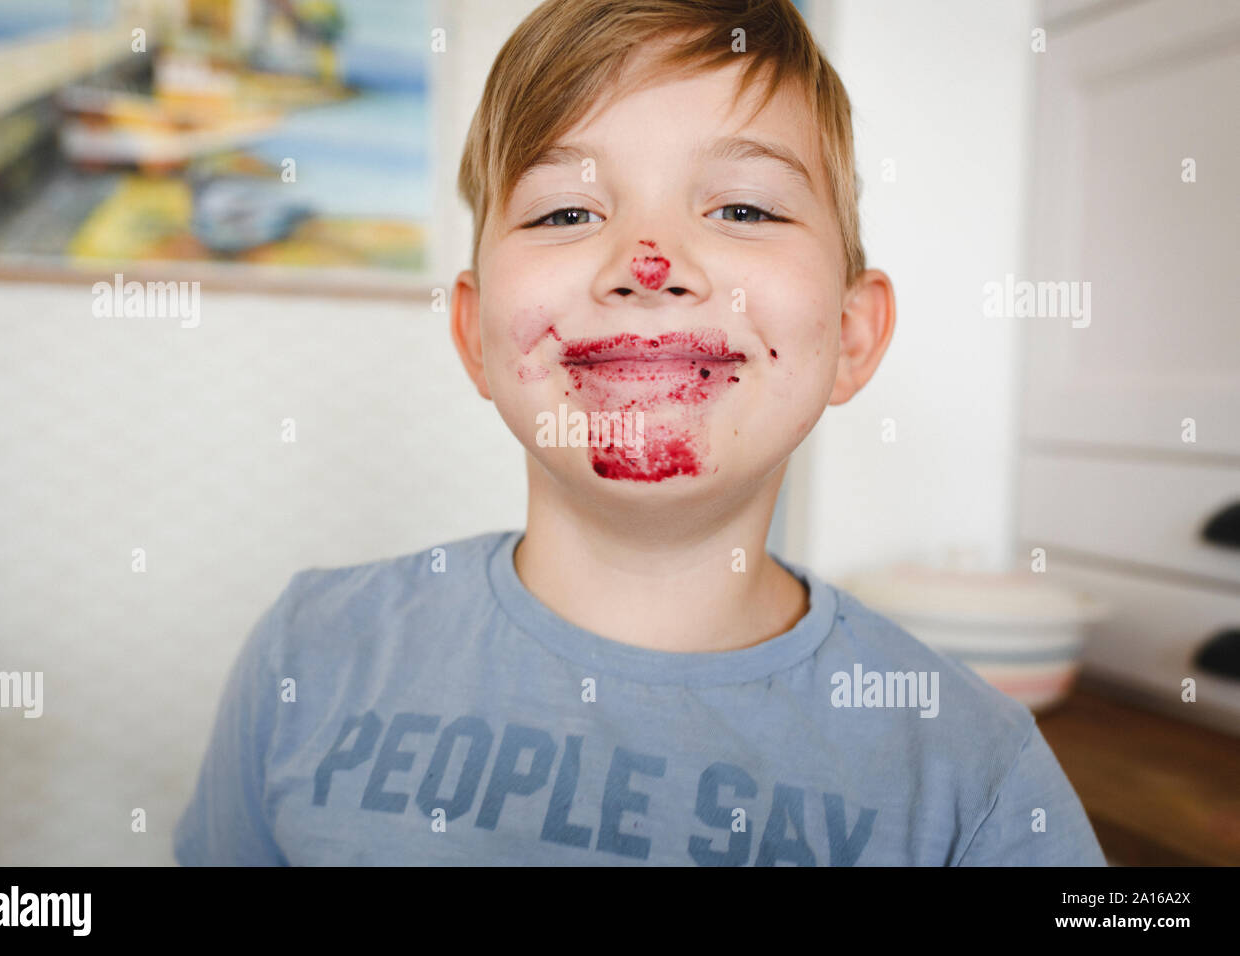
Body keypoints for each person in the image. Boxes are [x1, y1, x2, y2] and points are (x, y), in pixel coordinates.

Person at [174, 0, 1105, 866]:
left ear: (852, 336)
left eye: (743, 208)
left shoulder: (978, 780)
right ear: (476, 335)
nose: (646, 264)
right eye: (567, 211)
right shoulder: (309, 656)